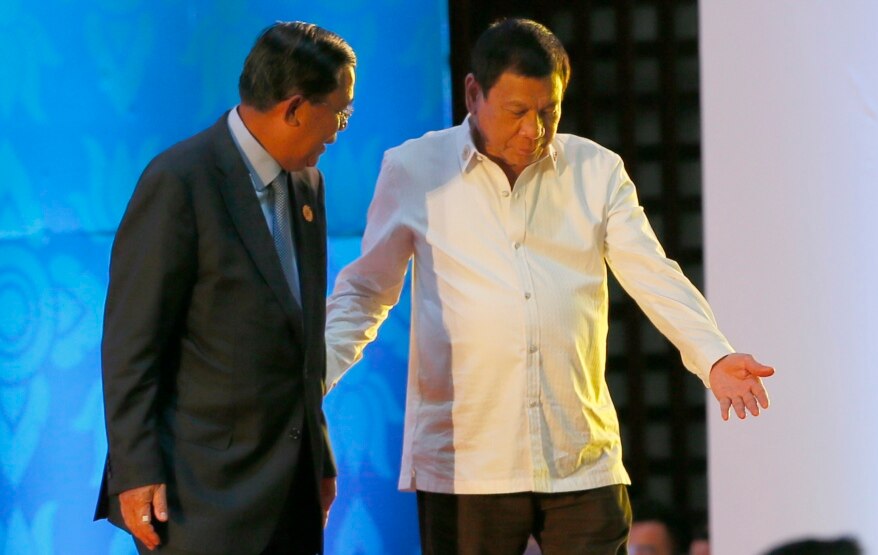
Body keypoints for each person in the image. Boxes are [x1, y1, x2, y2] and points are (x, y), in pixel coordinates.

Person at [325, 17, 773, 555]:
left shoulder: (596, 170)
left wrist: (714, 357)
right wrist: (313, 378)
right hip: (468, 465)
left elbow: (652, 272)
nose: (533, 131)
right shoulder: (415, 169)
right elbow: (365, 292)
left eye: (549, 111)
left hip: (580, 458)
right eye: (516, 112)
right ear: (473, 93)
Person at [95, 22, 356, 555]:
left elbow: (302, 342)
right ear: (296, 108)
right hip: (202, 494)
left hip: (292, 488)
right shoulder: (180, 182)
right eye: (340, 111)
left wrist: (320, 458)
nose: (339, 129)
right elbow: (131, 344)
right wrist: (136, 470)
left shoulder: (307, 182)